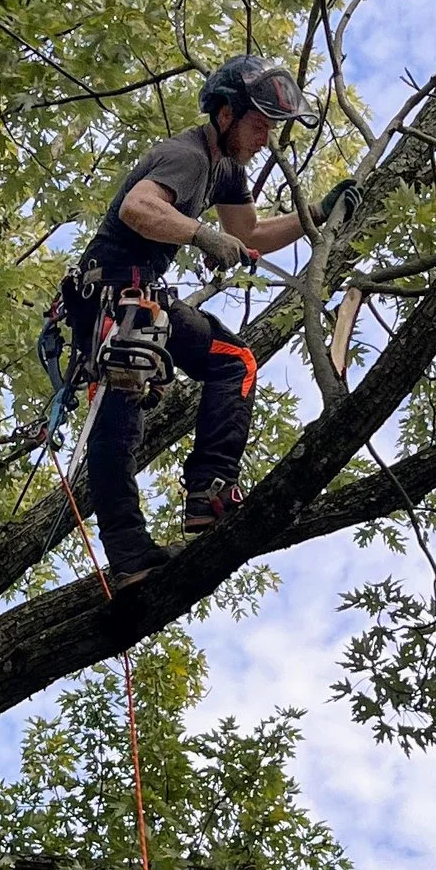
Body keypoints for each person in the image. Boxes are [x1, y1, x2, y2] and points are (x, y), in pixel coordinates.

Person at [70, 54, 314, 583]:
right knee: (123, 402)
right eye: (258, 123)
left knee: (235, 362)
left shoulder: (226, 167)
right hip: (112, 291)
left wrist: (313, 215)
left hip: (143, 294)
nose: (265, 138)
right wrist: (201, 234)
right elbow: (138, 207)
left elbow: (249, 233)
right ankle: (131, 554)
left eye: (271, 128)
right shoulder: (188, 155)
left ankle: (209, 492)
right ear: (225, 114)